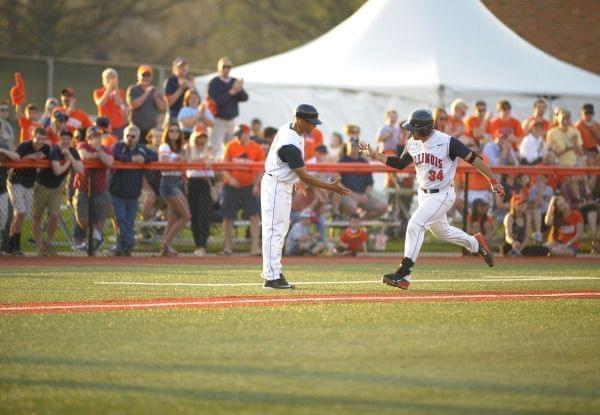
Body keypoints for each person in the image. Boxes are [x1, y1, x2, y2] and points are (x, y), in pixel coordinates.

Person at [360, 109, 505, 290]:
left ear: (426, 129)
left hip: (443, 194)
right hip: (424, 194)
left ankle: (404, 274)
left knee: (415, 224)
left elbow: (475, 159)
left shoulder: (447, 142)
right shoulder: (413, 142)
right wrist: (375, 155)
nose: (410, 131)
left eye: (414, 128)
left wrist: (492, 180)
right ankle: (476, 243)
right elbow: (399, 163)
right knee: (442, 232)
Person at [261, 104, 350, 289]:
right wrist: (330, 187)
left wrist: (296, 178)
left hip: (282, 182)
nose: (314, 127)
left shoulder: (292, 129)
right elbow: (305, 175)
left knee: (281, 228)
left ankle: (274, 271)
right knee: (274, 230)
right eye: (311, 123)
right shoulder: (289, 142)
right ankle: (271, 276)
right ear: (300, 120)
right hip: (276, 184)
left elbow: (295, 169)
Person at [32, 129, 83, 256]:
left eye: (68, 139)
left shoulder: (72, 151)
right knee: (37, 216)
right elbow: (58, 171)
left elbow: (80, 169)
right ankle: (40, 246)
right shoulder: (54, 150)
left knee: (54, 216)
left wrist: (69, 157)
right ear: (58, 139)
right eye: (62, 139)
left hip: (56, 188)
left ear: (72, 140)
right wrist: (68, 162)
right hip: (42, 185)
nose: (65, 141)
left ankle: (48, 244)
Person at [110, 124, 157, 256]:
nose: (130, 138)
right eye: (127, 136)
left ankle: (123, 250)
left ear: (138, 137)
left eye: (133, 136)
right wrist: (131, 159)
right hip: (117, 193)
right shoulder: (118, 146)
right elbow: (114, 154)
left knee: (128, 223)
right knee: (121, 221)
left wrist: (144, 159)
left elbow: (154, 156)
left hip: (133, 194)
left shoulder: (142, 149)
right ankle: (130, 243)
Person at [220, 123, 265, 256]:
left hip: (249, 185)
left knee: (254, 216)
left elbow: (260, 169)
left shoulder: (257, 148)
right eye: (237, 135)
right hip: (231, 185)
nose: (239, 137)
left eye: (241, 134)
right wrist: (230, 178)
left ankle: (255, 248)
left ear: (247, 133)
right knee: (228, 216)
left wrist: (257, 184)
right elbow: (223, 166)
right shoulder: (231, 145)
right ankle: (227, 247)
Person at [5, 127, 50, 255]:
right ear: (32, 136)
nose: (40, 141)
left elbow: (50, 157)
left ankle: (12, 243)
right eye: (38, 138)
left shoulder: (45, 148)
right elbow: (16, 158)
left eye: (43, 139)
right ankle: (13, 244)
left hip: (29, 184)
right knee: (20, 212)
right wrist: (32, 156)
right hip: (16, 181)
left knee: (23, 215)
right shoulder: (25, 146)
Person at [74, 126, 114, 254]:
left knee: (99, 219)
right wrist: (97, 155)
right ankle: (96, 236)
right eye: (93, 137)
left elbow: (109, 162)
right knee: (82, 218)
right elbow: (84, 156)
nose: (97, 139)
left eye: (99, 136)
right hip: (83, 188)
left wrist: (98, 151)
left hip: (100, 189)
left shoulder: (106, 148)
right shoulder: (82, 145)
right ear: (87, 138)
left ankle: (94, 243)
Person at [158, 122, 191, 256]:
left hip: (177, 181)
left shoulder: (180, 148)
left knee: (173, 218)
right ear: (167, 133)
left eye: (176, 131)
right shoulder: (164, 146)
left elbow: (186, 162)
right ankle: (165, 245)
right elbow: (165, 165)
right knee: (186, 216)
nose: (174, 133)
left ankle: (165, 247)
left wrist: (180, 160)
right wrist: (178, 161)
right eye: (171, 131)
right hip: (168, 182)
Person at [185, 125, 216, 256]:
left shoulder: (210, 147)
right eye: (199, 136)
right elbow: (188, 161)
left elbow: (211, 158)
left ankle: (203, 244)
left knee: (204, 214)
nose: (202, 139)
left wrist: (201, 160)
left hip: (206, 181)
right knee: (194, 214)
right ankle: (197, 244)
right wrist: (202, 160)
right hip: (193, 182)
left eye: (204, 136)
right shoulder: (188, 148)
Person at [338, 139, 388, 219]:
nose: (354, 147)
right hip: (347, 194)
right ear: (347, 145)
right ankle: (352, 227)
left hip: (363, 194)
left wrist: (365, 194)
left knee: (383, 206)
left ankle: (359, 225)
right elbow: (337, 183)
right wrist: (352, 195)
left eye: (356, 145)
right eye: (352, 144)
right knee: (352, 207)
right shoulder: (341, 161)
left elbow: (370, 183)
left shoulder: (364, 162)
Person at [207, 57, 249, 154]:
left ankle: (228, 168)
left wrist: (240, 90)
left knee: (231, 147)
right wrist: (231, 91)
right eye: (224, 66)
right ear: (219, 68)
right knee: (215, 148)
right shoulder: (214, 82)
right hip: (218, 120)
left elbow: (245, 98)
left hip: (231, 120)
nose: (226, 69)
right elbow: (217, 101)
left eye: (228, 67)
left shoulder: (234, 81)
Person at [127, 65, 166, 143]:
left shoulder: (155, 90)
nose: (146, 77)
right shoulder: (133, 89)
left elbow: (162, 108)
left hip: (152, 129)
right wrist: (146, 93)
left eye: (148, 75)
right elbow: (133, 105)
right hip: (137, 129)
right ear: (138, 76)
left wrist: (155, 96)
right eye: (144, 75)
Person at [93, 68, 128, 140]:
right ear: (103, 80)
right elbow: (101, 103)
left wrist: (115, 88)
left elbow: (118, 103)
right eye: (108, 78)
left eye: (113, 77)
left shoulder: (120, 92)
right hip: (103, 125)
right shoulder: (98, 92)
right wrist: (109, 89)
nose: (110, 80)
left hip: (117, 125)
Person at [0, 136, 20, 251]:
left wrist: (2, 151)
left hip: (1, 189)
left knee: (3, 220)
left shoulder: (4, 145)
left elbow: (16, 157)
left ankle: (3, 247)